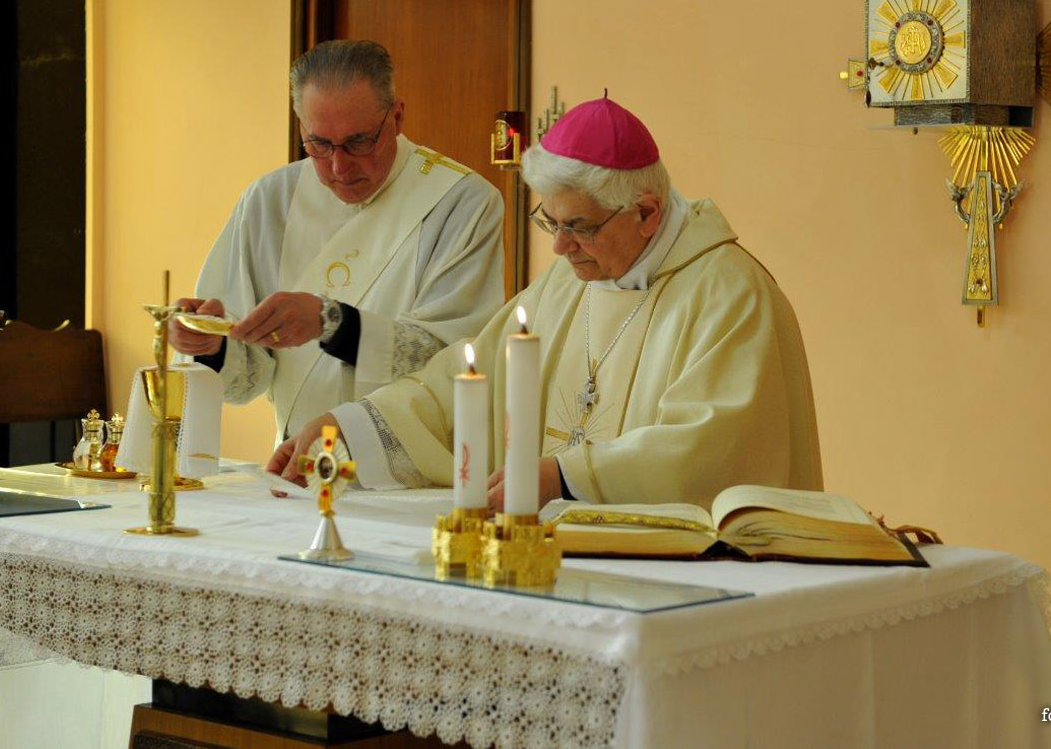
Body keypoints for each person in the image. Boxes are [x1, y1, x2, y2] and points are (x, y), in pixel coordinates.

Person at [272, 95, 821, 509]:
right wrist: (349, 428)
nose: (559, 247)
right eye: (550, 222)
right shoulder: (569, 281)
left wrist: (567, 476)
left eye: (580, 226)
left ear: (647, 213)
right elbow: (464, 385)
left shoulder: (729, 293)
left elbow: (713, 448)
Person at [170, 40, 504, 446]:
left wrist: (333, 323)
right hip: (299, 459)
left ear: (397, 116)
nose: (339, 167)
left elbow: (454, 363)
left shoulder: (460, 201)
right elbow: (247, 379)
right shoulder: (269, 201)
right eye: (320, 144)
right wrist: (211, 345)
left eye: (360, 142)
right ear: (300, 126)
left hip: (415, 461)